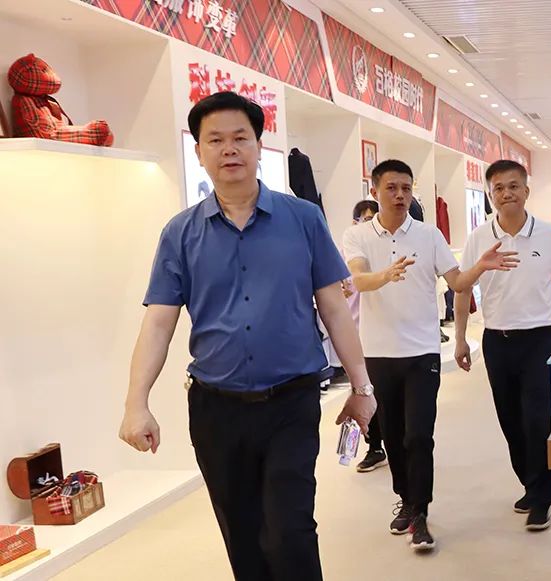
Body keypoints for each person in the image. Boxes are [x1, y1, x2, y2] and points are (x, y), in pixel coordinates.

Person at [118, 92, 376, 581]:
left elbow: (334, 308)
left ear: (259, 146)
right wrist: (136, 403)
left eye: (240, 138)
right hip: (217, 410)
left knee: (290, 530)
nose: (229, 149)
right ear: (199, 151)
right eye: (215, 140)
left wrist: (362, 387)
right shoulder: (180, 233)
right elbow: (158, 322)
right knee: (242, 534)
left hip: (291, 402)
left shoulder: (304, 219)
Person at [343, 159, 518, 552]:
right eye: (392, 188)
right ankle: (405, 499)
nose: (400, 195)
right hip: (379, 353)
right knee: (392, 435)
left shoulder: (429, 234)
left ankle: (419, 513)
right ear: (375, 191)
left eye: (406, 188)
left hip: (422, 351)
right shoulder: (357, 235)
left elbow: (456, 281)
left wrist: (480, 268)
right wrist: (385, 275)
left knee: (419, 435)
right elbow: (357, 279)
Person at [454, 160, 551, 531]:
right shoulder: (479, 237)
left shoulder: (549, 235)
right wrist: (460, 338)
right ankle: (530, 484)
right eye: (498, 188)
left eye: (514, 186)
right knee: (510, 421)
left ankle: (542, 497)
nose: (507, 193)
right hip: (496, 341)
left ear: (526, 191)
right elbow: (462, 288)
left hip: (539, 340)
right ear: (490, 195)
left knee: (537, 420)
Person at [342, 200, 389, 473]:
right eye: (364, 219)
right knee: (361, 393)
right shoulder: (344, 253)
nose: (369, 224)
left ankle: (387, 443)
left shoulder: (384, 251)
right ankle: (372, 447)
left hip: (381, 336)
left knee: (381, 393)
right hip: (354, 336)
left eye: (373, 218)